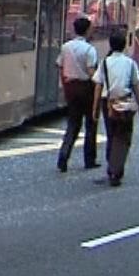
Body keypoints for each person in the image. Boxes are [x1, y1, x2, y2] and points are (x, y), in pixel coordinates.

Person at [92, 30, 139, 187]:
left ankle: (111, 167)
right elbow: (136, 86)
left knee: (111, 135)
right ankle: (116, 171)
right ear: (124, 45)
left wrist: (94, 108)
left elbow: (98, 85)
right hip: (125, 103)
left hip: (107, 103)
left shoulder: (104, 63)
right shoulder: (130, 63)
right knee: (123, 138)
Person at [56, 17, 100, 173]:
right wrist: (100, 84)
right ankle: (89, 159)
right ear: (87, 30)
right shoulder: (89, 50)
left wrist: (65, 84)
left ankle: (63, 155)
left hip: (71, 86)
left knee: (73, 124)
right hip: (86, 87)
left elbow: (60, 66)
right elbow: (91, 71)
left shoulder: (66, 47)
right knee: (91, 123)